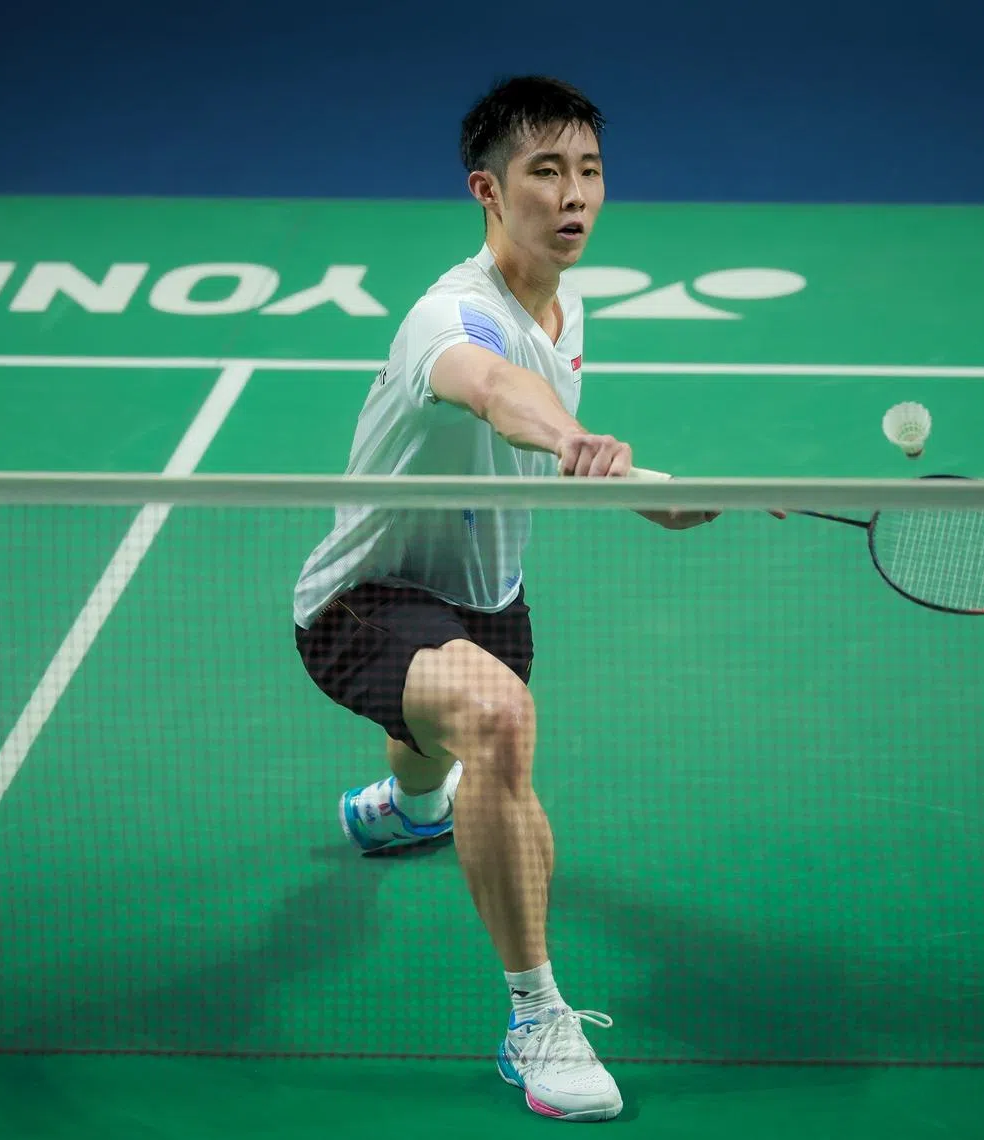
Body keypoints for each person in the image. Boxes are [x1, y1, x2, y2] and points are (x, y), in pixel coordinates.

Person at [292, 75, 718, 1123]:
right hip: (362, 599)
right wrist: (573, 440)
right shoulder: (448, 316)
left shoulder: (566, 308)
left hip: (483, 600)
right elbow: (490, 389)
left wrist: (663, 495)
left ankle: (409, 811)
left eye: (590, 171)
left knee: (444, 735)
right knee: (496, 718)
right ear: (488, 190)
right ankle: (539, 1018)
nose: (575, 195)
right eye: (546, 173)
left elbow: (551, 425)